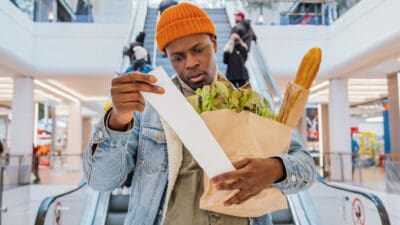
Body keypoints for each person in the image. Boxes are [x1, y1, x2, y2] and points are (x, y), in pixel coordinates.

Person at [83, 3, 315, 225]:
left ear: (214, 44)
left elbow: (305, 166)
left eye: (198, 50)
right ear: (168, 57)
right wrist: (117, 120)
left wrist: (276, 169)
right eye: (178, 57)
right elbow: (101, 181)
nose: (191, 63)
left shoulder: (251, 103)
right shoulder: (148, 111)